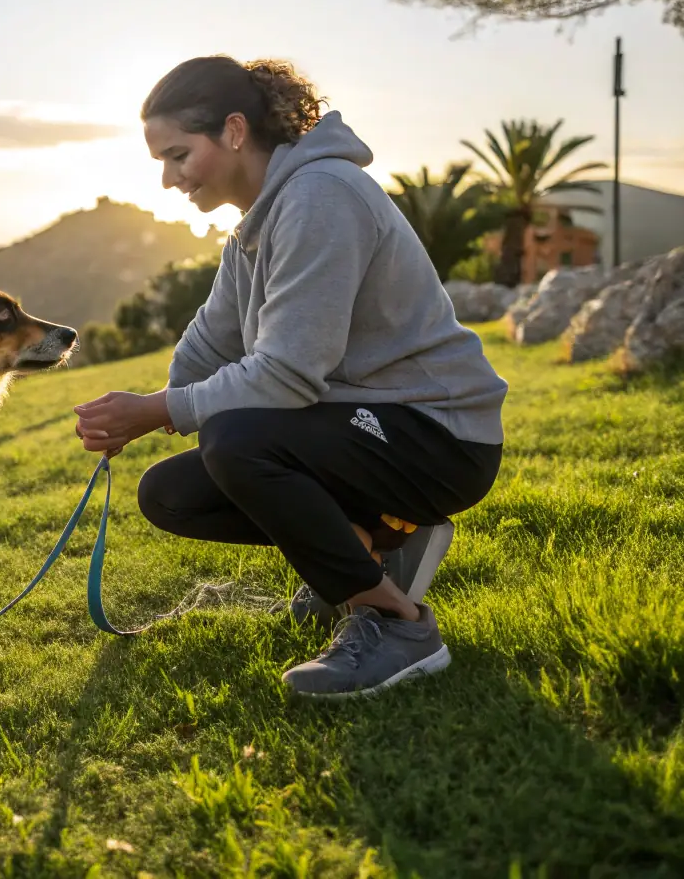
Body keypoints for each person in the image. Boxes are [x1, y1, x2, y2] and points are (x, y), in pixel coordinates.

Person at [73, 56, 506, 698]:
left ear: (236, 131)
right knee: (169, 493)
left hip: (439, 437)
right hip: (364, 431)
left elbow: (288, 374)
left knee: (238, 442)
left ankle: (396, 623)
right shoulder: (254, 224)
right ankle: (378, 541)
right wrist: (146, 410)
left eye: (178, 155)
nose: (167, 180)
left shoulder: (320, 196)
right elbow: (210, 339)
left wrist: (161, 410)